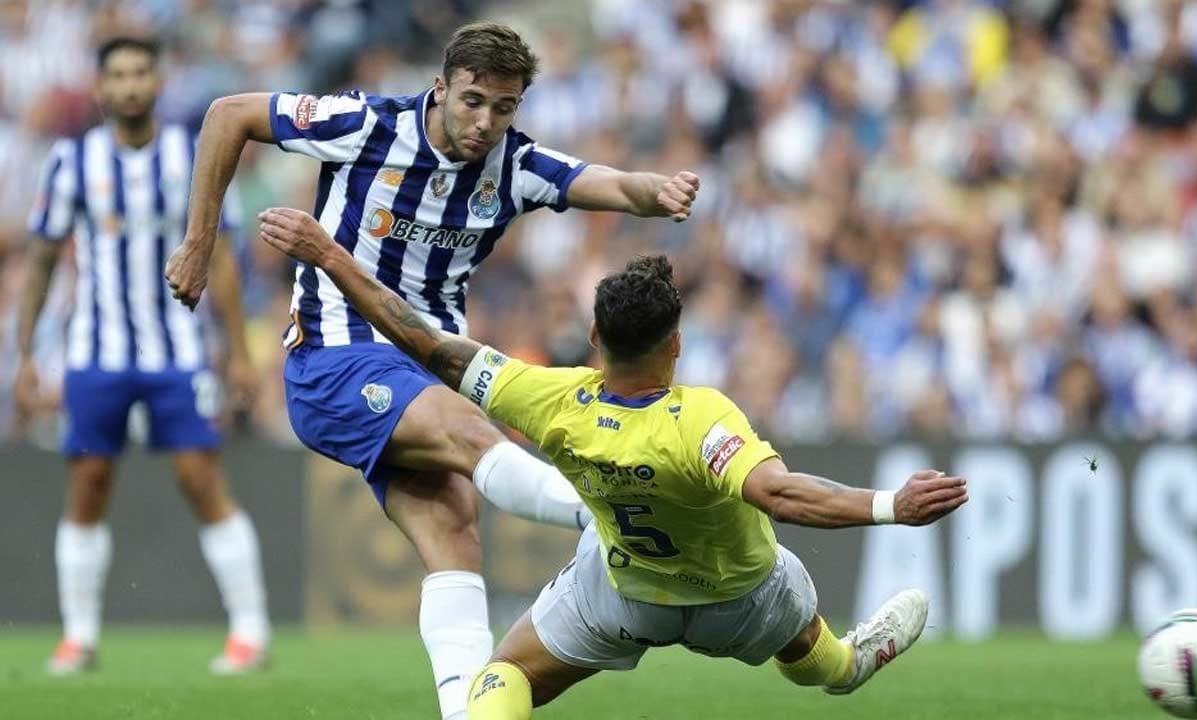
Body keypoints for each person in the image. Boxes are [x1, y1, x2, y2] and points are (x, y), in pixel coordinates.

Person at [164, 22, 701, 719]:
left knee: (454, 530)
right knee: (474, 435)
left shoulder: (514, 166)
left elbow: (607, 184)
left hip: (425, 365)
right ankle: (614, 515)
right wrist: (200, 244)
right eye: (473, 101)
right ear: (441, 87)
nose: (485, 123)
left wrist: (655, 189)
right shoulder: (365, 124)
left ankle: (465, 713)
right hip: (335, 354)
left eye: (504, 109)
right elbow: (227, 113)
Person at [254, 205, 970, 719]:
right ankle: (852, 664)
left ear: (594, 335)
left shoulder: (549, 397)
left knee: (501, 676)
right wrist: (890, 506)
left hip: (625, 598)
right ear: (677, 344)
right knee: (822, 661)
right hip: (740, 601)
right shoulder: (703, 418)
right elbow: (782, 496)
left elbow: (428, 344)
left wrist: (332, 258)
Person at [16, 37, 269, 676]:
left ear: (158, 83)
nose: (130, 86)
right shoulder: (70, 161)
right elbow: (43, 261)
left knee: (200, 478)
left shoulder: (194, 156)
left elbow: (223, 261)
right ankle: (78, 637)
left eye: (140, 73)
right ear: (100, 89)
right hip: (94, 351)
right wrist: (24, 355)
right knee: (89, 483)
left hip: (178, 349)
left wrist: (238, 352)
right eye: (118, 75)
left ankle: (250, 630)